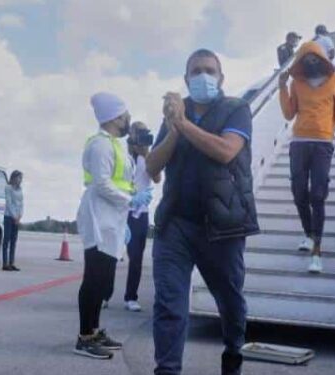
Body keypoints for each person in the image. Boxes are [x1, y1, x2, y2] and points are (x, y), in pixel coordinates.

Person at [147, 49, 259, 375]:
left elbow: (225, 151)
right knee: (169, 305)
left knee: (230, 302)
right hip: (175, 224)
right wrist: (173, 129)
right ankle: (167, 370)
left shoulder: (236, 109)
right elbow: (153, 167)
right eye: (195, 71)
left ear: (221, 78)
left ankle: (233, 353)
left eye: (209, 70)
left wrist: (182, 123)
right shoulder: (174, 116)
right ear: (185, 78)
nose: (202, 76)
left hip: (223, 227)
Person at [75, 92, 152, 360]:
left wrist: (125, 213)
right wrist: (132, 201)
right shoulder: (100, 145)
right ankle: (85, 337)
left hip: (113, 219)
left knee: (105, 278)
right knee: (94, 279)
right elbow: (102, 184)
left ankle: (94, 331)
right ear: (115, 117)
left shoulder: (117, 145)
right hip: (99, 218)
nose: (128, 119)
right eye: (125, 114)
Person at [278, 41, 335, 273]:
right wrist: (282, 88)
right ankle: (308, 234)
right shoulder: (297, 83)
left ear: (322, 60)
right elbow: (288, 113)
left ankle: (317, 252)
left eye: (315, 59)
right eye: (307, 59)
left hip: (323, 144)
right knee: (298, 192)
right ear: (301, 62)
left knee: (318, 194)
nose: (311, 63)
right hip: (299, 143)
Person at [123, 122, 161, 312]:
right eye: (138, 134)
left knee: (136, 257)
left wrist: (147, 155)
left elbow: (157, 178)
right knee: (111, 254)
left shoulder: (150, 156)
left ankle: (131, 297)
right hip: (121, 210)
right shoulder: (123, 154)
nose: (142, 138)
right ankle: (104, 294)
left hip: (140, 213)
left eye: (145, 134)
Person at [2, 170, 23, 271]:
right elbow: (9, 203)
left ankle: (12, 262)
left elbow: (21, 203)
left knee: (14, 241)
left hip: (17, 218)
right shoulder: (8, 188)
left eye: (21, 178)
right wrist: (14, 216)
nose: (20, 180)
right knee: (6, 240)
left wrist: (20, 216)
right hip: (9, 217)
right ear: (14, 178)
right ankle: (5, 263)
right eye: (19, 178)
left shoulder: (20, 189)